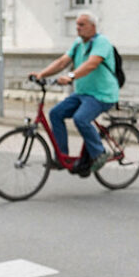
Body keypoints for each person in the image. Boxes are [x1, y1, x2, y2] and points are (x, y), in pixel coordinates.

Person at [30, 11, 119, 175]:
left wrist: (71, 76)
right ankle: (61, 156)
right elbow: (62, 62)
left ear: (93, 27)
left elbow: (92, 64)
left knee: (80, 119)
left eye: (81, 24)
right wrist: (42, 74)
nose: (77, 28)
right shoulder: (78, 43)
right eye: (77, 24)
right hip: (83, 93)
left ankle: (100, 152)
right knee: (56, 113)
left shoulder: (102, 42)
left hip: (102, 95)